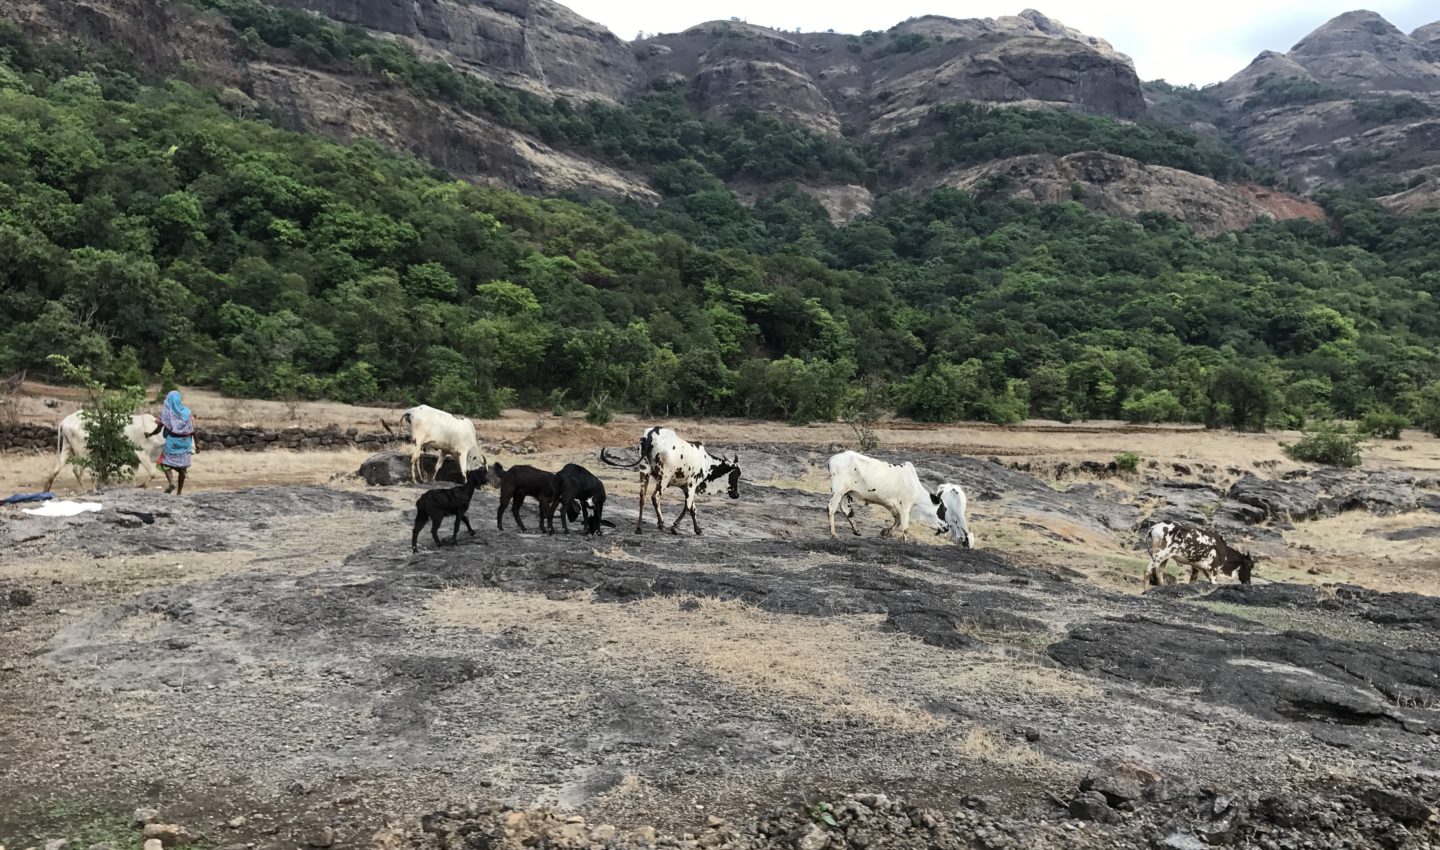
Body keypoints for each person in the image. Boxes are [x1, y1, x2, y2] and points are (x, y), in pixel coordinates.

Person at [149, 390, 196, 495]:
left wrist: (149, 434)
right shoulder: (187, 412)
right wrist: (197, 444)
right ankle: (179, 492)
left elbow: (158, 428)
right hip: (185, 442)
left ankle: (171, 483)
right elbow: (193, 429)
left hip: (172, 443)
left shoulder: (167, 414)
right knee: (183, 468)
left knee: (165, 462)